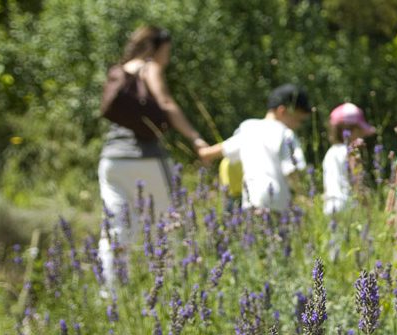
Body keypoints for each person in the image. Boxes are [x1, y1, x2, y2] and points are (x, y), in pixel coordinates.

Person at [98, 26, 210, 285]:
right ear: (153, 48)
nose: (167, 59)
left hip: (112, 160)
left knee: (115, 230)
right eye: (166, 52)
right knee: (166, 225)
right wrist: (196, 138)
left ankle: (110, 298)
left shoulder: (120, 70)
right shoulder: (149, 68)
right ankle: (169, 289)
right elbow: (167, 103)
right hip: (146, 159)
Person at [198, 84, 310, 213]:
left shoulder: (248, 128)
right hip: (278, 200)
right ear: (282, 111)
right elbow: (291, 170)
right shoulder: (286, 134)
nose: (299, 126)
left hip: (252, 197)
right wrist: (302, 195)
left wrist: (202, 151)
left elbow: (221, 150)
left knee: (257, 231)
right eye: (299, 120)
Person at [322, 102, 376, 215]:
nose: (362, 136)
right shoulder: (352, 152)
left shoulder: (330, 152)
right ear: (350, 130)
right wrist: (367, 209)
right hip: (348, 206)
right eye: (359, 130)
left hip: (330, 205)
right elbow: (358, 181)